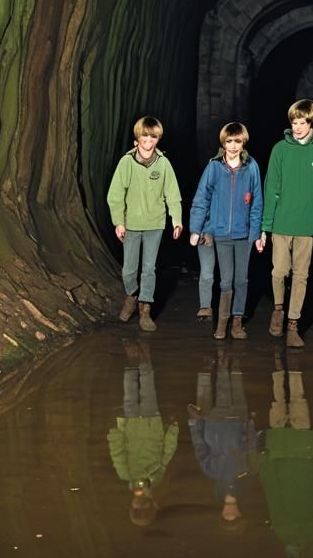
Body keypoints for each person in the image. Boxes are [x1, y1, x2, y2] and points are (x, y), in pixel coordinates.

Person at [259, 99, 313, 348]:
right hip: (281, 223)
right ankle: (278, 308)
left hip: (307, 226)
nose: (297, 127)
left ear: (311, 123)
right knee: (279, 271)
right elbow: (271, 188)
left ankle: (293, 324)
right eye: (294, 122)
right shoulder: (280, 149)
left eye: (302, 123)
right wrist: (266, 227)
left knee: (301, 276)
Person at [106, 115, 182, 331]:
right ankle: (132, 294)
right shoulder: (127, 162)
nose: (148, 140)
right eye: (145, 136)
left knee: (149, 268)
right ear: (137, 137)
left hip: (155, 224)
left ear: (158, 139)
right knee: (129, 269)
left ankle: (145, 308)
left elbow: (173, 194)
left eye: (153, 136)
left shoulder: (163, 164)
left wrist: (176, 220)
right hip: (131, 224)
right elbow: (115, 195)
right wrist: (118, 222)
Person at [189, 122, 264, 339]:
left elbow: (257, 202)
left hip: (244, 234)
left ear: (243, 143)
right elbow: (201, 198)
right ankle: (222, 322)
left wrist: (256, 233)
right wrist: (196, 228)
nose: (233, 146)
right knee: (226, 280)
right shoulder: (214, 167)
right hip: (221, 233)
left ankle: (237, 322)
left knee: (242, 279)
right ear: (223, 143)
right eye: (229, 141)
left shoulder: (251, 167)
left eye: (237, 141)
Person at [257, 352, 313, 555]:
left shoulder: (311, 532)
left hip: (295, 454)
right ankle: (285, 368)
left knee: (288, 403)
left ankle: (284, 368)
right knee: (287, 403)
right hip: (291, 454)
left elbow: (274, 496)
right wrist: (266, 465)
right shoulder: (309, 532)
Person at [107, 340, 179, 527]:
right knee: (147, 389)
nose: (140, 505)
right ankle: (144, 358)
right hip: (150, 424)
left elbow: (117, 453)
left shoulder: (126, 474)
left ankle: (133, 361)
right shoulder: (156, 478)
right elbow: (168, 452)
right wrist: (173, 430)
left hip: (131, 426)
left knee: (130, 393)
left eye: (136, 508)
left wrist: (114, 434)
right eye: (144, 508)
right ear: (152, 504)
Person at [188, 353, 256, 532]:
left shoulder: (210, 471)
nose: (230, 511)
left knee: (205, 388)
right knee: (234, 382)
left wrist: (194, 422)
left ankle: (212, 359)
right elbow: (251, 446)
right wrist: (249, 425)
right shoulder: (245, 474)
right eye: (233, 515)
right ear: (240, 513)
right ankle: (234, 355)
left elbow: (199, 445)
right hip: (236, 420)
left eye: (227, 515)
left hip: (211, 422)